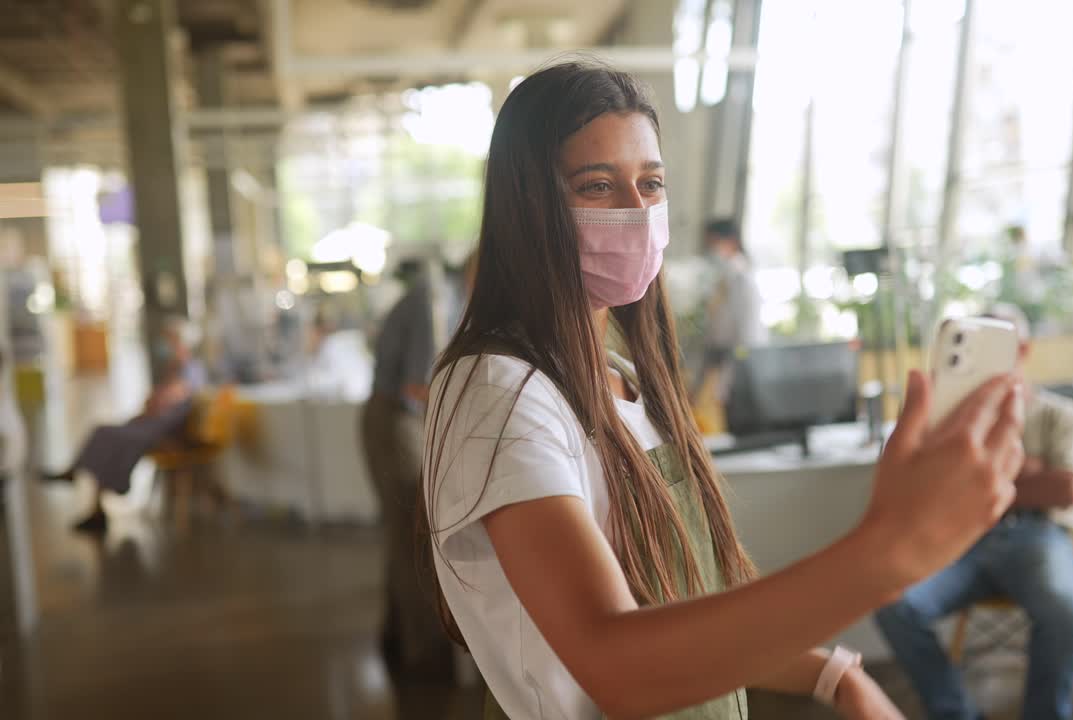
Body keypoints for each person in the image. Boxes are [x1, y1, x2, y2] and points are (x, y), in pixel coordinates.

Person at [424, 60, 1026, 720]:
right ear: (528, 206)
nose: (637, 211)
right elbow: (617, 665)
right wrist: (888, 550)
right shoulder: (501, 392)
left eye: (651, 184)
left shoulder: (628, 377)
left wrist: (833, 675)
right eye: (597, 186)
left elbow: (690, 613)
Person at [874, 303, 1073, 720]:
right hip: (959, 537)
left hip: (1037, 535)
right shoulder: (945, 418)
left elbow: (1069, 488)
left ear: (1024, 350)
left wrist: (974, 481)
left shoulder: (1058, 414)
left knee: (1066, 608)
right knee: (893, 603)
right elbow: (919, 483)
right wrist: (1029, 472)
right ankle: (954, 713)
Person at [360, 257, 451, 683]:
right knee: (414, 537)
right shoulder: (430, 298)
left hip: (393, 417)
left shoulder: (429, 297)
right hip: (396, 420)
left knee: (403, 534)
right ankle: (426, 655)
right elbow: (418, 386)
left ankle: (397, 638)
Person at [43, 317, 207, 535]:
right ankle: (93, 504)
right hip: (151, 425)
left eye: (169, 340)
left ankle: (83, 483)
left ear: (179, 342)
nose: (164, 344)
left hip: (165, 432)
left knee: (108, 436)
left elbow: (166, 399)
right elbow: (157, 401)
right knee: (106, 436)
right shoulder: (174, 368)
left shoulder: (190, 369)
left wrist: (156, 400)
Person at [691, 218, 764, 406]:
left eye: (714, 243)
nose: (711, 249)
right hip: (718, 355)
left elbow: (747, 333)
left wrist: (728, 375)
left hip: (735, 361)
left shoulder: (743, 279)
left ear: (731, 242)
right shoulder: (724, 276)